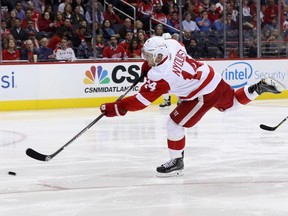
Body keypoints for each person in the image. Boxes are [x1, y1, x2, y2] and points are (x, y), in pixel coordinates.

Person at [99, 36, 286, 177]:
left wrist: (116, 108)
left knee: (174, 124)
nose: (145, 58)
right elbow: (172, 46)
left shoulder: (162, 75)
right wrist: (148, 67)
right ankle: (258, 88)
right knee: (231, 105)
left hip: (201, 94)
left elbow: (140, 102)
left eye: (148, 56)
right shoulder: (171, 45)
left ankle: (176, 161)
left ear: (159, 55)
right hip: (210, 76)